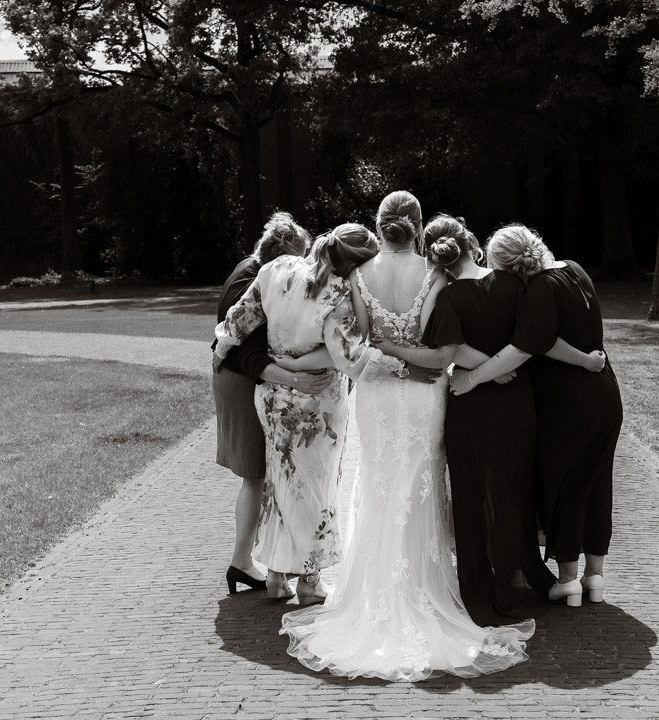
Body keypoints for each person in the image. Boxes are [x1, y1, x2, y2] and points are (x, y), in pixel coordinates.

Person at [277, 191, 533, 682]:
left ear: (379, 224)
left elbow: (353, 340)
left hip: (375, 393)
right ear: (418, 227)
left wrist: (383, 358)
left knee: (377, 483)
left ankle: (375, 596)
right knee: (420, 485)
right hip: (423, 394)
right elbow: (446, 345)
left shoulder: (356, 275)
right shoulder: (437, 274)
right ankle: (423, 589)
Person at [373, 213, 556, 626]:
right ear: (470, 243)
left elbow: (448, 350)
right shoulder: (514, 284)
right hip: (516, 402)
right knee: (512, 493)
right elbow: (528, 337)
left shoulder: (450, 299)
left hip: (470, 407)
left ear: (436, 262)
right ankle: (514, 583)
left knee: (472, 500)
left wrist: (477, 373)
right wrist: (498, 366)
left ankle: (479, 587)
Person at [213, 223, 402, 605]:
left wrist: (221, 352)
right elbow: (347, 358)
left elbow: (238, 319)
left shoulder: (276, 268)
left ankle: (277, 575)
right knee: (315, 487)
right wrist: (401, 364)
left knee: (280, 483)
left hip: (272, 397)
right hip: (316, 402)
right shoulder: (339, 293)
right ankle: (310, 580)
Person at [450, 224, 622, 608]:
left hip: (570, 401)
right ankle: (595, 578)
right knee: (597, 485)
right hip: (605, 394)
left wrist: (473, 377)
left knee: (564, 483)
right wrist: (587, 360)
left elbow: (526, 347)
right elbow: (562, 334)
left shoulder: (539, 289)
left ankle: (567, 580)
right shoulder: (574, 269)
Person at [211, 212, 331, 595]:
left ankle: (268, 567)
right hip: (251, 380)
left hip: (256, 382)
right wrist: (296, 375)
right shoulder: (261, 279)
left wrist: (224, 345)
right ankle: (251, 562)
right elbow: (250, 356)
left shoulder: (257, 272)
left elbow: (236, 331)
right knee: (266, 476)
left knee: (270, 478)